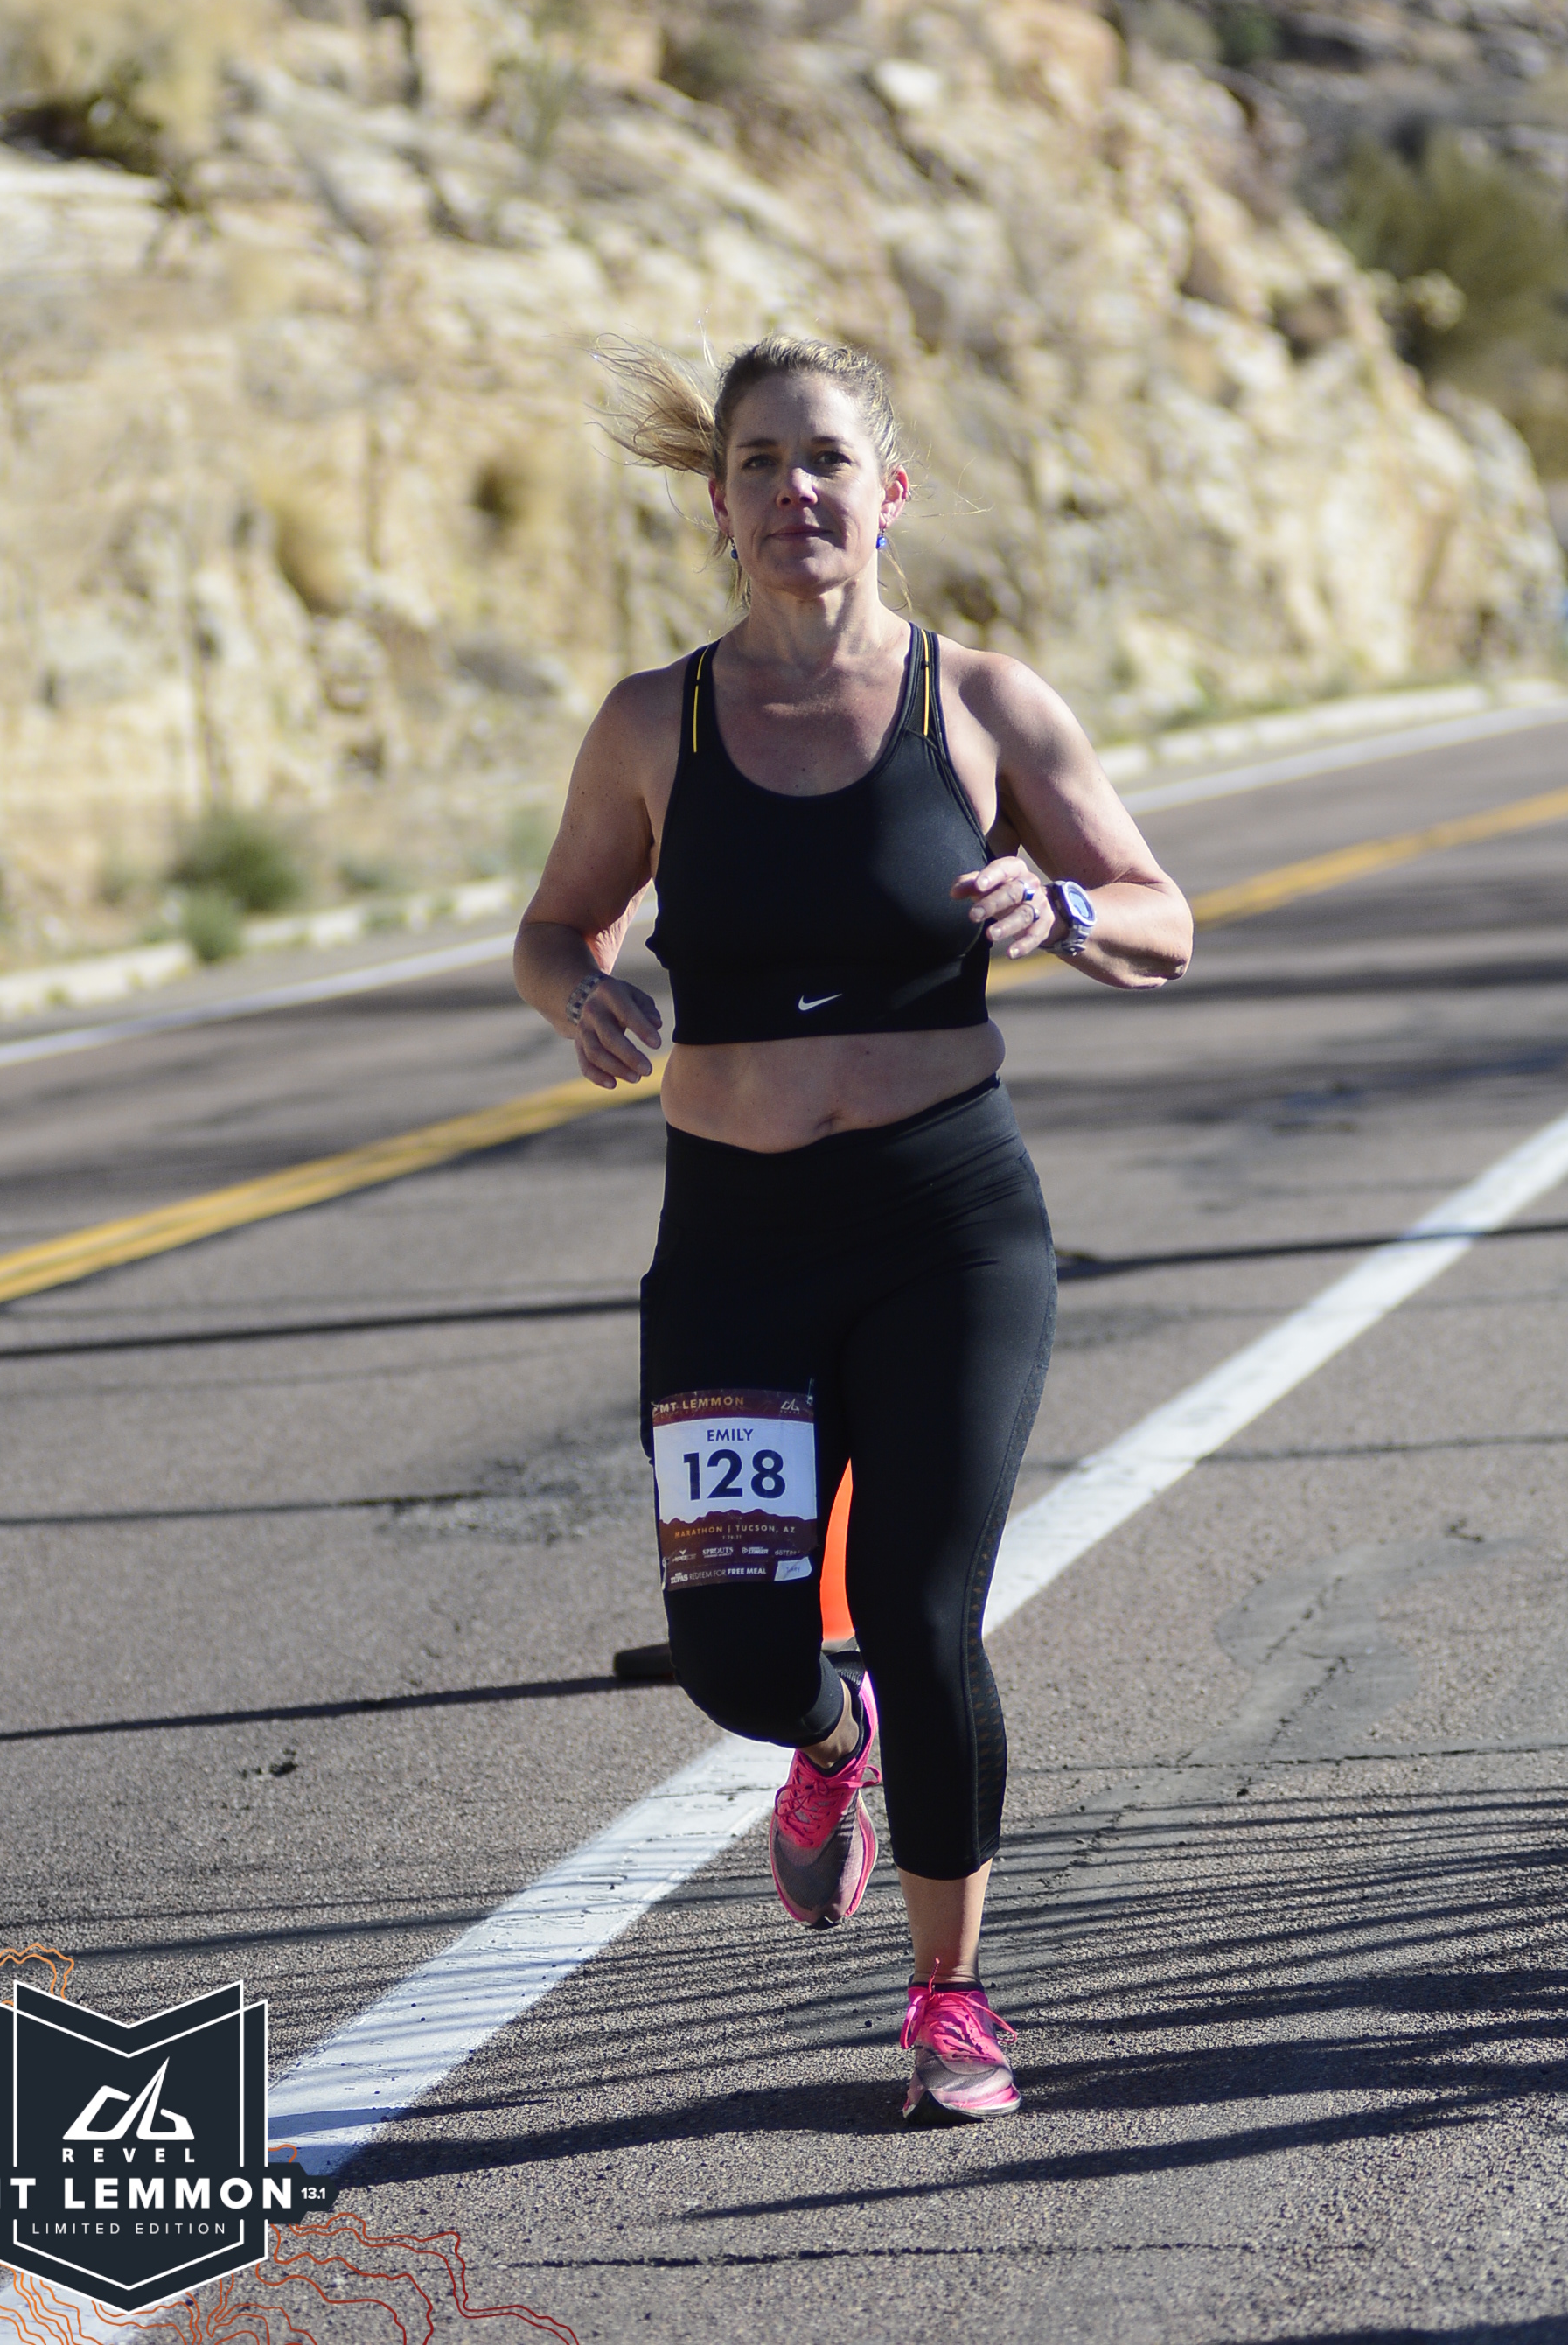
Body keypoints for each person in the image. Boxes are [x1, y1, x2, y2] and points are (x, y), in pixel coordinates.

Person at [514, 334, 1192, 2122]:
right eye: (758, 461)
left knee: (916, 1600)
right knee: (740, 1655)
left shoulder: (981, 703)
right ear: (718, 500)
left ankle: (951, 1996)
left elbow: (1163, 913)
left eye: (824, 459)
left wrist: (1060, 908)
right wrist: (578, 995)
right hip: (733, 1236)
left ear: (887, 494)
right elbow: (555, 925)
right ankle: (829, 1740)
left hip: (943, 1221)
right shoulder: (651, 723)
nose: (792, 491)